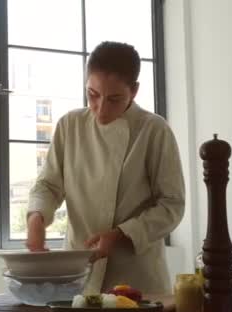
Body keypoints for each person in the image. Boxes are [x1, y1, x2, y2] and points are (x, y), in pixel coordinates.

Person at [26, 41, 185, 294]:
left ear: (133, 91)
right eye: (93, 94)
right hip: (78, 274)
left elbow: (172, 205)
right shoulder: (70, 125)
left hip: (137, 277)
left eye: (114, 99)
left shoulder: (153, 130)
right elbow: (49, 185)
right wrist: (37, 218)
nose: (101, 109)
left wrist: (121, 234)